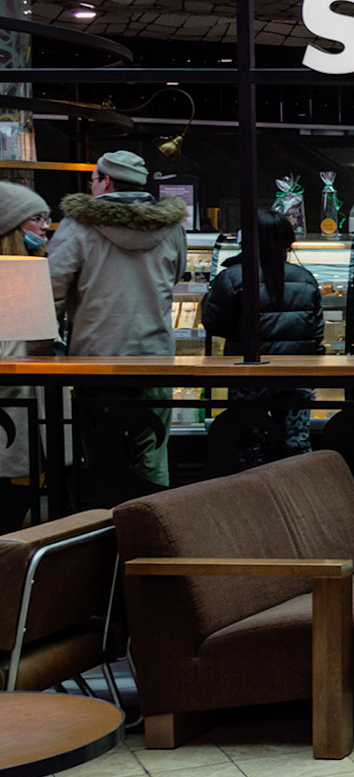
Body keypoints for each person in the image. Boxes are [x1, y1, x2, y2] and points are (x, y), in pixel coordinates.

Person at [48, 150, 188, 498]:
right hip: (155, 357)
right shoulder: (170, 227)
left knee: (101, 456)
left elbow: (52, 289)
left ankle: (102, 535)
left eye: (93, 180)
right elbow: (176, 276)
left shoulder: (78, 225)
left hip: (97, 360)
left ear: (106, 181)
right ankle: (154, 529)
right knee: (152, 451)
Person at [201, 210, 323, 468]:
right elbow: (316, 334)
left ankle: (255, 502)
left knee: (250, 445)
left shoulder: (233, 277)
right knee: (296, 444)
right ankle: (299, 500)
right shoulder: (306, 279)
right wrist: (313, 374)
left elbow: (214, 324)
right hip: (295, 375)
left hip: (248, 376)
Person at [0, 182, 52, 531]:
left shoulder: (28, 268)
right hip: (18, 399)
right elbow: (38, 343)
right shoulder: (23, 273)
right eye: (37, 218)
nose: (45, 226)